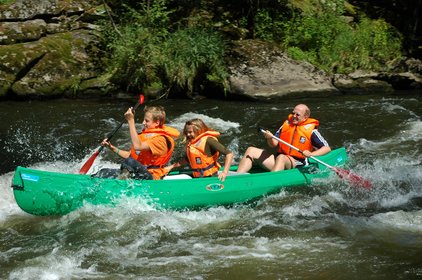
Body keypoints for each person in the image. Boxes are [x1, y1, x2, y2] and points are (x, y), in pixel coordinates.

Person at [236, 104, 331, 173]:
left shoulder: (312, 131)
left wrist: (311, 154)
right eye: (293, 113)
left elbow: (327, 148)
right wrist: (269, 138)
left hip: (297, 163)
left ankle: (269, 181)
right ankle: (238, 178)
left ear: (305, 117)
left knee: (281, 158)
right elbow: (274, 144)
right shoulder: (286, 125)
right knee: (251, 150)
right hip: (279, 161)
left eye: (297, 115)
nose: (294, 116)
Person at [95, 105, 180, 180]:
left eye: (147, 121)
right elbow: (131, 155)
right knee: (103, 172)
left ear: (157, 122)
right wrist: (111, 147)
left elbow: (137, 146)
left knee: (130, 162)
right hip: (138, 172)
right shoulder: (144, 136)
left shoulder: (161, 140)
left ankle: (120, 185)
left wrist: (131, 120)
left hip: (152, 176)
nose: (143, 123)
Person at [167, 118, 234, 182]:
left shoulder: (209, 140)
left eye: (190, 132)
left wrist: (225, 172)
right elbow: (188, 159)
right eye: (186, 132)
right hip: (198, 177)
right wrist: (171, 167)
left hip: (211, 176)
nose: (188, 134)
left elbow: (229, 154)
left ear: (198, 130)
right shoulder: (192, 143)